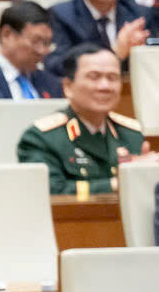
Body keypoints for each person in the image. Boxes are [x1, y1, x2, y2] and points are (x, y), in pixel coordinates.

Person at [17, 44, 151, 195]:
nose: (105, 86)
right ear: (68, 87)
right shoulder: (41, 138)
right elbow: (50, 191)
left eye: (112, 78)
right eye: (94, 77)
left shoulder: (131, 134)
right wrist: (119, 183)